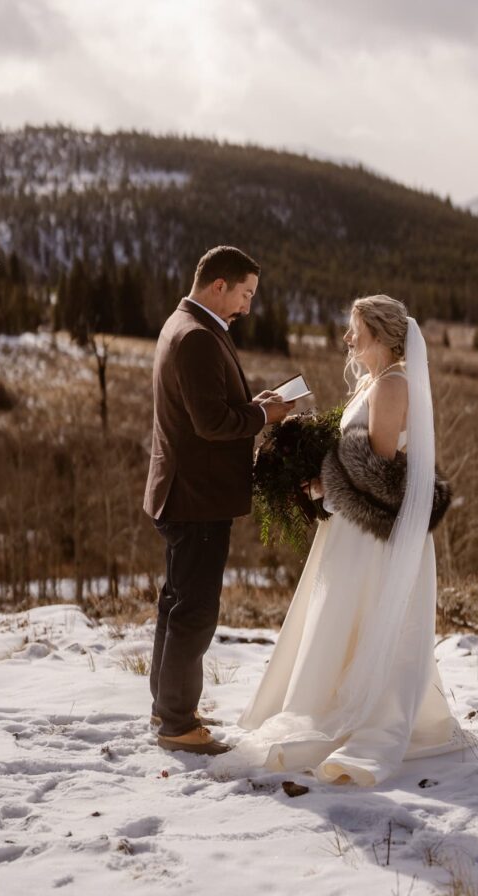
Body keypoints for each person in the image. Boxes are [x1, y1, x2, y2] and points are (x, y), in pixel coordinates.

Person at [225, 295, 463, 785]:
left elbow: (376, 468)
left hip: (375, 533)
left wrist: (324, 484)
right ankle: (325, 695)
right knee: (340, 618)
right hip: (354, 525)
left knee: (363, 615)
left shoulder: (394, 385)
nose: (348, 338)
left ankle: (364, 714)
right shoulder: (375, 382)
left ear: (379, 334)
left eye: (356, 329)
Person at [144, 246, 295, 755]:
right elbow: (211, 424)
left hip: (184, 490)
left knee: (175, 601)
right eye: (246, 294)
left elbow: (204, 411)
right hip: (196, 496)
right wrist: (265, 418)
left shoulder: (184, 325)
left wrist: (253, 406)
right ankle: (179, 726)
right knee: (196, 610)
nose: (248, 307)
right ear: (218, 286)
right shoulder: (196, 339)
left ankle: (167, 707)